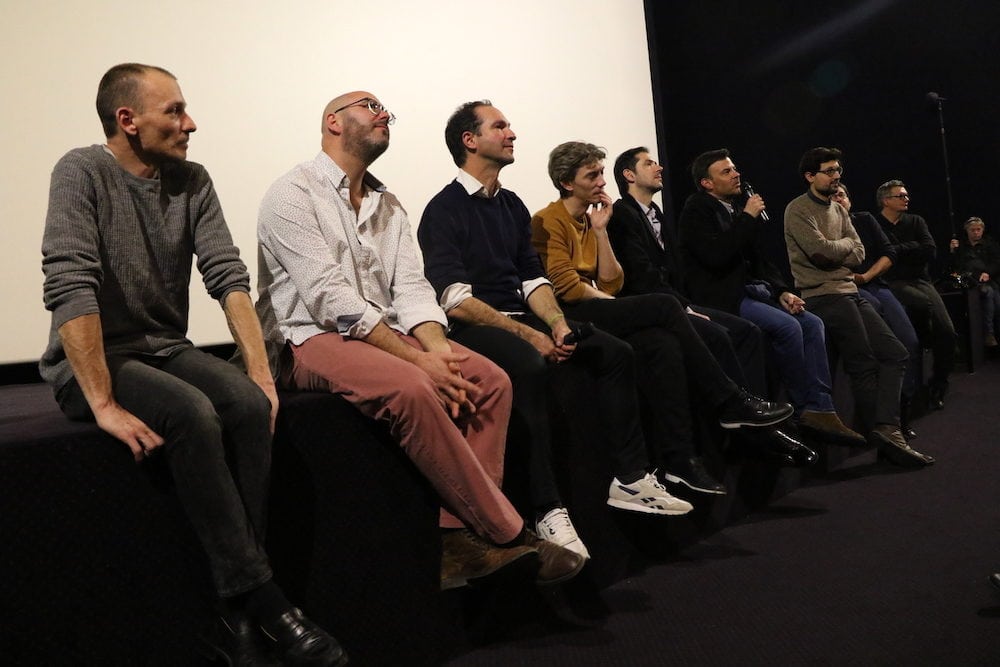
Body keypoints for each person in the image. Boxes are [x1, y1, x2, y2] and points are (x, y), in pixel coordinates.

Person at [39, 63, 345, 666]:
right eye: (175, 111)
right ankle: (267, 602)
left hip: (163, 346)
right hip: (96, 360)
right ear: (128, 120)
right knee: (193, 415)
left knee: (246, 404)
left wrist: (259, 374)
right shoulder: (80, 172)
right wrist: (100, 402)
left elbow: (228, 276)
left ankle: (234, 613)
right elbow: (70, 282)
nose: (190, 123)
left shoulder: (192, 180)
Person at [254, 91, 585, 592]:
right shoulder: (292, 193)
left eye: (386, 108)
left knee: (490, 379)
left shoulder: (388, 203)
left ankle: (454, 544)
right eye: (370, 107)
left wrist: (435, 350)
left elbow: (411, 289)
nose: (384, 114)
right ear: (333, 123)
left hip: (384, 331)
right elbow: (328, 299)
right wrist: (416, 360)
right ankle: (508, 531)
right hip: (310, 337)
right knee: (412, 387)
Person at [418, 102, 693, 558]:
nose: (512, 133)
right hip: (470, 326)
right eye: (500, 126)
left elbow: (532, 278)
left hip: (522, 317)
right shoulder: (443, 210)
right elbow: (454, 299)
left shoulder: (511, 205)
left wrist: (559, 323)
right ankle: (546, 508)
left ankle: (629, 478)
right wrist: (530, 335)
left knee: (615, 352)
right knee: (527, 364)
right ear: (469, 140)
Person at [530, 141, 795, 491]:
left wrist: (599, 231)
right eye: (591, 175)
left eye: (599, 173)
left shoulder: (591, 220)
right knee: (665, 306)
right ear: (567, 182)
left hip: (594, 303)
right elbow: (567, 288)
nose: (601, 181)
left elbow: (612, 280)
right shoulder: (548, 219)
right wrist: (610, 301)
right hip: (571, 311)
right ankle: (731, 403)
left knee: (664, 345)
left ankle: (679, 459)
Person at [608, 146, 815, 467]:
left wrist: (781, 290)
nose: (660, 167)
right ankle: (755, 424)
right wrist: (684, 307)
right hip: (655, 307)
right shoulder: (623, 214)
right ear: (629, 175)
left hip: (679, 301)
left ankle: (763, 420)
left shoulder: (657, 215)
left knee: (756, 330)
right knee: (734, 332)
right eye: (649, 163)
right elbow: (643, 275)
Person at [677, 148, 864, 447]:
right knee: (788, 327)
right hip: (725, 297)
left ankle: (821, 407)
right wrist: (749, 218)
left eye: (735, 168)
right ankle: (800, 409)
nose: (736, 174)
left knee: (812, 323)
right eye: (726, 171)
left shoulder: (735, 211)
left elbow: (761, 261)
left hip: (756, 290)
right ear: (706, 183)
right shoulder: (697, 210)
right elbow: (716, 256)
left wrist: (783, 291)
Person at [783, 147, 933, 466]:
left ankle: (886, 428)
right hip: (823, 296)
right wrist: (843, 250)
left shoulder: (838, 210)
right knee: (863, 363)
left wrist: (841, 251)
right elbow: (819, 253)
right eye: (829, 170)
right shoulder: (798, 209)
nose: (837, 176)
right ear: (811, 176)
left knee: (896, 353)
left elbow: (860, 253)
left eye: (839, 170)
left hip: (850, 290)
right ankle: (888, 434)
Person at [831, 183, 922, 440]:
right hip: (847, 290)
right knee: (878, 349)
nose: (838, 198)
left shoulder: (865, 220)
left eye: (843, 194)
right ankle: (882, 421)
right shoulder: (824, 225)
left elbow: (889, 252)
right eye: (833, 194)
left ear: (849, 199)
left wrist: (866, 276)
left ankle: (902, 414)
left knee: (909, 342)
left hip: (874, 284)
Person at [875, 179, 957, 409]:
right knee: (917, 317)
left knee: (947, 331)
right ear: (886, 200)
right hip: (891, 283)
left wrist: (897, 250)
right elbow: (878, 256)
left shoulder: (916, 221)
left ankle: (939, 384)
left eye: (906, 195)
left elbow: (929, 250)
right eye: (900, 196)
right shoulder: (876, 225)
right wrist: (911, 249)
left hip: (920, 280)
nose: (906, 199)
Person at [949, 217, 1000, 347]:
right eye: (973, 230)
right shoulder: (961, 246)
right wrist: (952, 252)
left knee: (993, 297)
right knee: (988, 293)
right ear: (967, 231)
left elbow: (996, 262)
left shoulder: (990, 244)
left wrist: (988, 272)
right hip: (966, 281)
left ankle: (990, 333)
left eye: (978, 230)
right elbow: (954, 268)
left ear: (982, 230)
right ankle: (988, 333)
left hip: (987, 280)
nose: (976, 232)